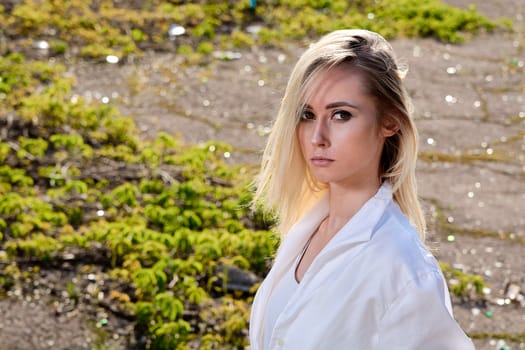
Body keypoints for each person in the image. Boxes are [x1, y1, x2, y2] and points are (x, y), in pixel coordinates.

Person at [249, 29, 475, 349]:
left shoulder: (403, 269)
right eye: (307, 115)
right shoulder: (309, 228)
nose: (317, 137)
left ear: (389, 122)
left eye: (341, 115)